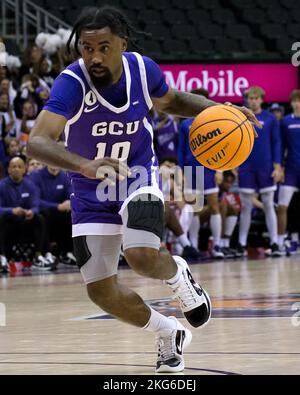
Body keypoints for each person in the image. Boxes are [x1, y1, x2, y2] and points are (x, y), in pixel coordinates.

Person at [27, 6, 259, 373]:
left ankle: (178, 275)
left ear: (122, 43)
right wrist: (85, 165)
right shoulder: (72, 83)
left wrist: (223, 110)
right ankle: (168, 332)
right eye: (87, 48)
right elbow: (37, 142)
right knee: (100, 291)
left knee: (141, 255)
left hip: (138, 176)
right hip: (90, 191)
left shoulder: (142, 69)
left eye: (104, 47)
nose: (95, 57)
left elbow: (173, 101)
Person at [178, 89, 225, 259]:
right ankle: (194, 246)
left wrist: (220, 170)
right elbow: (181, 150)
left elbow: (222, 147)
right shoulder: (185, 124)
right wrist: (181, 172)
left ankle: (218, 245)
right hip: (192, 169)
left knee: (214, 206)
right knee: (195, 209)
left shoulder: (214, 121)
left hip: (210, 167)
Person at [237, 86, 283, 257]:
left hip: (265, 166)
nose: (253, 101)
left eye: (256, 98)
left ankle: (275, 242)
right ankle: (241, 244)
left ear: (262, 100)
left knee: (269, 205)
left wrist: (277, 166)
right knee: (246, 207)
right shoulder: (240, 117)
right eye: (251, 98)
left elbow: (277, 142)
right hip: (246, 166)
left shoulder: (270, 118)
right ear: (247, 99)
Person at [0, 157, 56, 272]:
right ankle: (2, 257)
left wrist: (32, 211)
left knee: (40, 217)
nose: (16, 169)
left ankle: (38, 255)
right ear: (9, 170)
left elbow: (36, 205)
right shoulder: (2, 186)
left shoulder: (30, 185)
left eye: (19, 166)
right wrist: (12, 211)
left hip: (25, 223)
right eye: (13, 167)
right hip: (8, 225)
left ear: (24, 169)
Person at [29, 165, 75, 265]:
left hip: (60, 214)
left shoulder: (65, 176)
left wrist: (70, 202)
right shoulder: (36, 176)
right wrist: (57, 206)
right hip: (42, 213)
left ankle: (67, 251)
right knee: (44, 215)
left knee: (73, 213)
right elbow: (35, 200)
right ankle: (45, 253)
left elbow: (71, 193)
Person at [277, 90, 300, 254]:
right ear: (291, 103)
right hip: (291, 170)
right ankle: (282, 241)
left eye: (299, 101)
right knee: (283, 206)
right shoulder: (285, 122)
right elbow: (280, 146)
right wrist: (279, 167)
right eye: (295, 101)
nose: (297, 104)